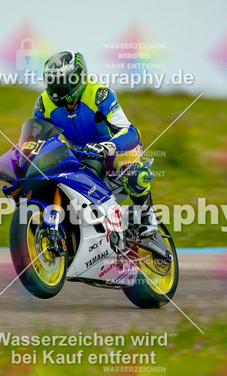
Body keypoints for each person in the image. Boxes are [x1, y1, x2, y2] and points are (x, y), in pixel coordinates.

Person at [33, 51, 157, 238]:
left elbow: (130, 131)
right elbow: (37, 141)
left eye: (62, 82)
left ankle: (147, 215)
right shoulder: (43, 105)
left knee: (131, 168)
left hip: (115, 152)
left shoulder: (100, 95)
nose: (56, 90)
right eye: (52, 82)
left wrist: (109, 146)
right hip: (80, 157)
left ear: (77, 78)